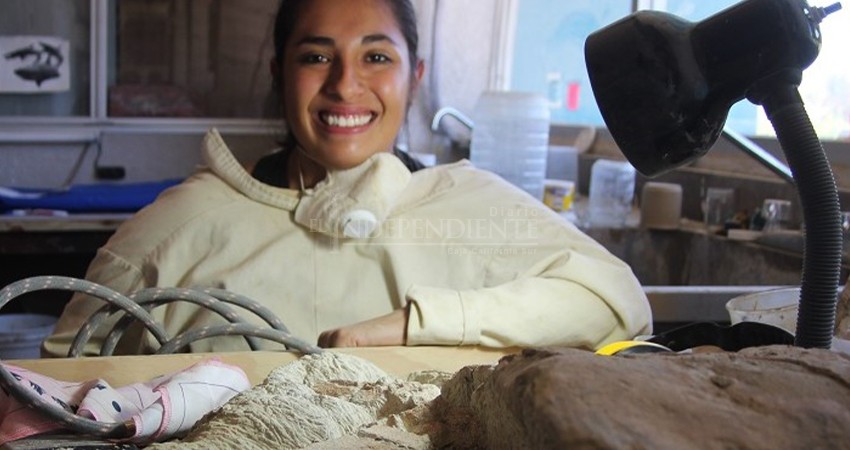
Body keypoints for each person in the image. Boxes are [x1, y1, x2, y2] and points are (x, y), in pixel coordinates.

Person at [42, 0, 651, 357]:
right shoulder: (178, 229)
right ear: (280, 72)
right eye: (316, 56)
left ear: (415, 76)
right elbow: (63, 390)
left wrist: (412, 324)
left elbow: (618, 303)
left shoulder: (471, 207)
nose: (344, 85)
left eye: (376, 57)